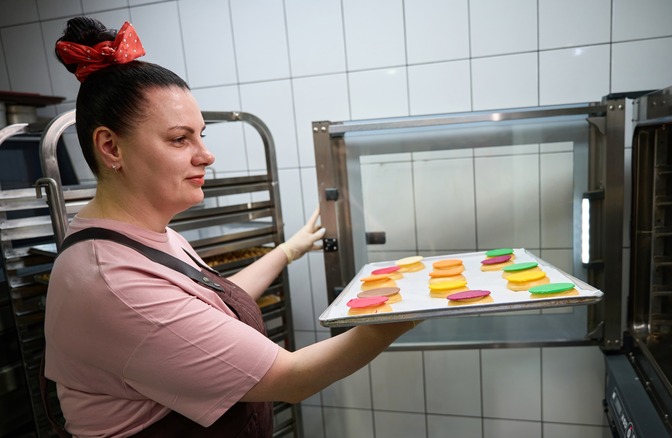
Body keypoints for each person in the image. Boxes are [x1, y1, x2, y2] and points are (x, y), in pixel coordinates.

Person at [44, 17, 416, 438]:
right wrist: (400, 315)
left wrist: (289, 250)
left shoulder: (140, 236)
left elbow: (203, 313)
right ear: (111, 147)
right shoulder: (111, 281)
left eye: (201, 135)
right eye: (180, 139)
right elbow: (293, 378)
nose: (206, 155)